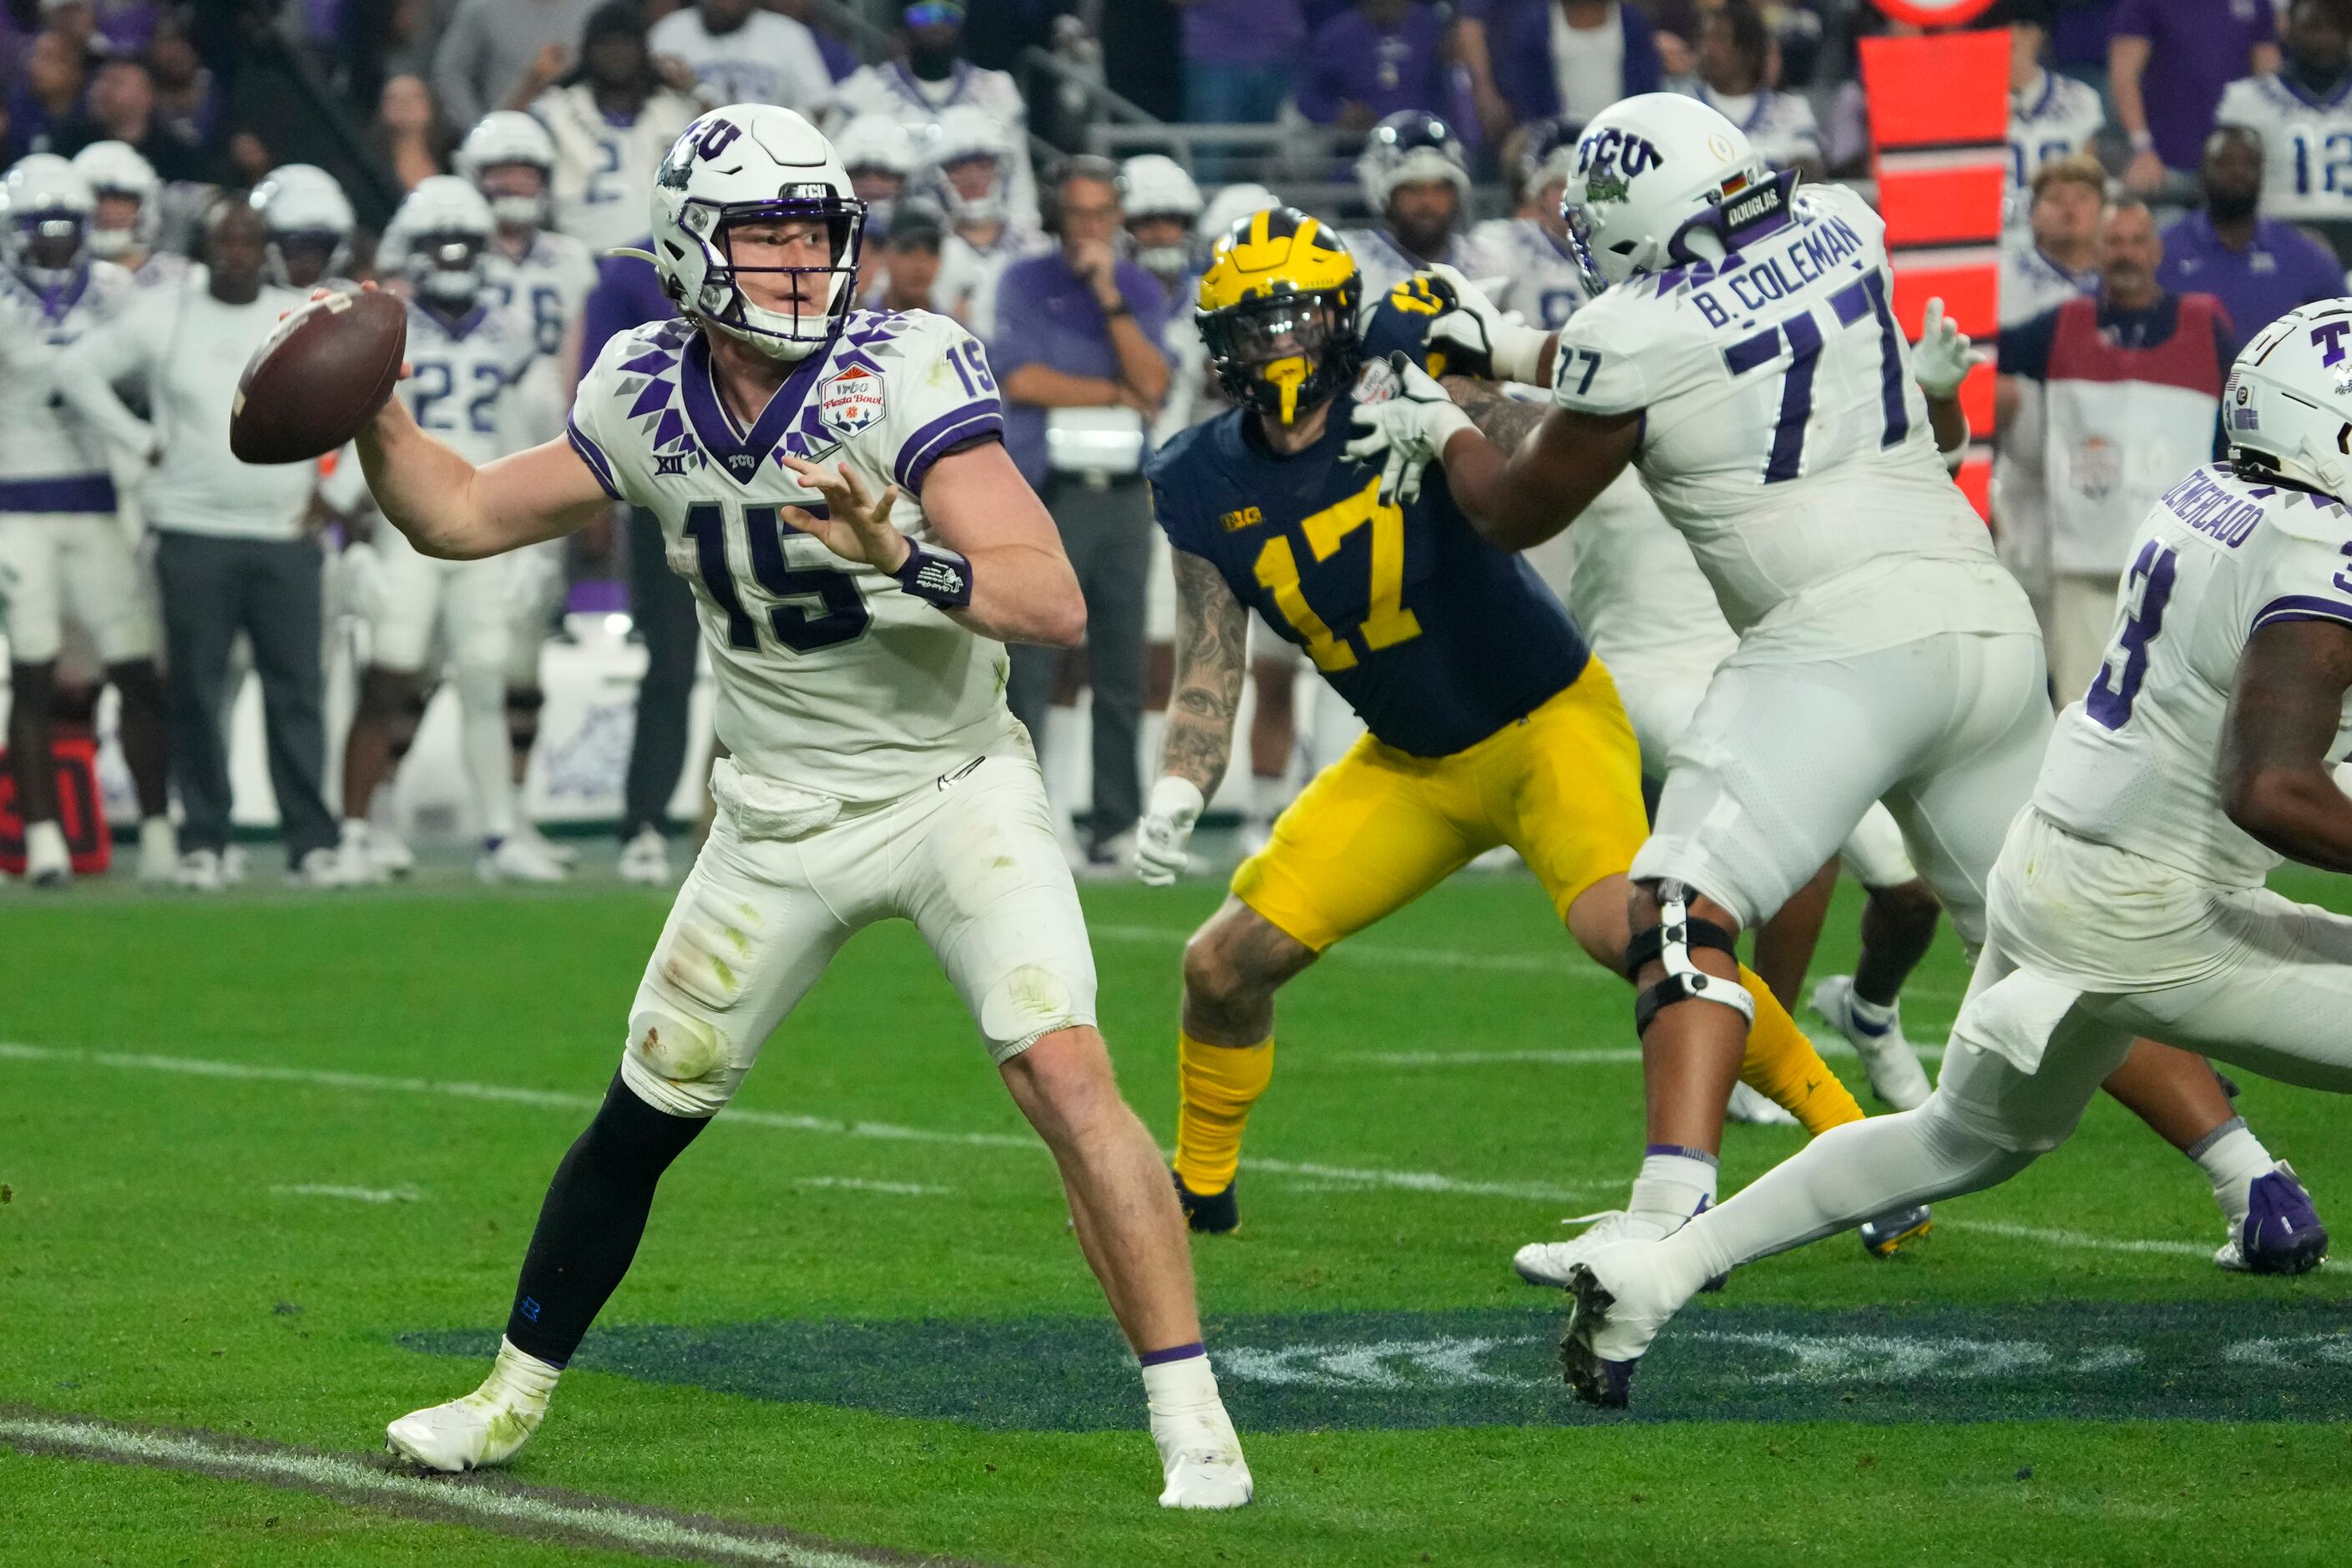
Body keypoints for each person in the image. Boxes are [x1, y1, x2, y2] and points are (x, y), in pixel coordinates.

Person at [372, 102, 1252, 1511]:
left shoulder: (904, 363)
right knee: (644, 1112)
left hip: (954, 786)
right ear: (688, 246)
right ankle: (509, 1392)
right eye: (762, 229)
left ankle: (1194, 1417)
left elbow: (1051, 597)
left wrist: (901, 549)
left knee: (1064, 1070)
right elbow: (463, 512)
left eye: (812, 227)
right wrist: (372, 411)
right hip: (774, 814)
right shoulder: (637, 388)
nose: (794, 258)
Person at [1349, 94, 2304, 1281]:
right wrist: (1494, 345)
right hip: (1979, 621)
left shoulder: (1632, 330)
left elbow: (1512, 504)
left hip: (1836, 644)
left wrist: (1434, 416)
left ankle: (1661, 1219)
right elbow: (1697, 349)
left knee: (1681, 909)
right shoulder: (1841, 225)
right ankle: (2254, 1178)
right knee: (2066, 941)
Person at [1560, 303, 2352, 1407]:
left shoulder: (2209, 499)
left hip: (2056, 869)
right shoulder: (2317, 551)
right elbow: (2273, 784)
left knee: (1956, 1139)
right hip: (2157, 909)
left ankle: (1658, 1269)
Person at [1136, 207, 1885, 1238]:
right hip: (1409, 764)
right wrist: (1181, 785)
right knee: (1219, 967)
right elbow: (1210, 665)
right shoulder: (1199, 476)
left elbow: (1547, 457)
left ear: (1339, 320)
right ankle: (1200, 1188)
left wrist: (1440, 410)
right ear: (1222, 345)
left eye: (1298, 321)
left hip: (1545, 725)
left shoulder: (1403, 373)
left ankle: (1858, 1149)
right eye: (1257, 327)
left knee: (1644, 940)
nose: (1280, 348)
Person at [53, 199, 338, 892]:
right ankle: (204, 839)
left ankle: (311, 843)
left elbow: (361, 402)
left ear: (266, 247)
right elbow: (76, 373)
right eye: (224, 239)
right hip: (190, 532)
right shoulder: (163, 312)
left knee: (298, 691)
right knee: (196, 694)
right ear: (204, 247)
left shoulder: (300, 314)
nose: (236, 250)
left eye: (248, 239)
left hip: (284, 533)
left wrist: (343, 495)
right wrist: (139, 442)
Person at [325, 178, 561, 885]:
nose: (454, 255)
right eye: (440, 242)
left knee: (486, 676)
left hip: (486, 516)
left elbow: (533, 442)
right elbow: (360, 427)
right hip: (405, 521)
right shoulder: (387, 327)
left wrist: (537, 546)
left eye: (465, 241)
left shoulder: (512, 335)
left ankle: (498, 833)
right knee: (389, 673)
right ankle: (358, 832)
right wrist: (346, 520)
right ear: (413, 249)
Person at [994, 154, 1171, 873]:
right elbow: (1023, 378)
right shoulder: (1024, 281)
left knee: (1121, 665)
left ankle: (1115, 823)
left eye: (1103, 214)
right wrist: (1113, 392)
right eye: (1079, 214)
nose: (1090, 227)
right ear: (1056, 217)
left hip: (1125, 492)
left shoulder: (1135, 288)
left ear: (1118, 220)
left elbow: (1153, 384)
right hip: (1050, 490)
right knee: (1034, 666)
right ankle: (1032, 817)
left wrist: (1109, 297)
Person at [0, 153, 171, 888]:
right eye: (40, 228)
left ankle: (159, 832)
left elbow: (152, 376)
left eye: (66, 226)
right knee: (33, 672)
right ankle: (42, 841)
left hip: (102, 502)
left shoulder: (116, 291)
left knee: (134, 669)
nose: (55, 242)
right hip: (18, 505)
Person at [1998, 198, 2236, 701]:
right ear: (2096, 251)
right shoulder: (2060, 325)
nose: (2125, 253)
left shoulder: (2205, 325)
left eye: (2136, 241)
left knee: (2176, 709)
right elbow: (1984, 352)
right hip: (2084, 559)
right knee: (2076, 706)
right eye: (2113, 241)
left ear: (2157, 251)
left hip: (2179, 562)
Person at [458, 110, 603, 873]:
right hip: (474, 458)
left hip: (552, 459)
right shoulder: (447, 251)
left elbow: (581, 365)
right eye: (500, 170)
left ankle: (510, 816)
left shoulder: (572, 260)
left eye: (527, 171)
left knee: (523, 658)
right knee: (417, 658)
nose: (514, 184)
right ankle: (377, 811)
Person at [574, 234, 690, 885]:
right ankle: (644, 820)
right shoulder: (633, 270)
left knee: (781, 657)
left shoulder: (774, 249)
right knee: (671, 663)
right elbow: (598, 386)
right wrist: (595, 494)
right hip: (668, 487)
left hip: (767, 480)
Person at [823, 3, 1038, 226]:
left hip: (977, 235)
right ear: (904, 24)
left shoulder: (998, 91)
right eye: (923, 16)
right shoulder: (864, 90)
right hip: (887, 239)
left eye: (948, 15)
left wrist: (1023, 231)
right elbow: (825, 170)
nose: (936, 25)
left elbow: (1020, 183)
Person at [529, 2, 701, 256]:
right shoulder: (556, 110)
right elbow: (505, 142)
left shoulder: (675, 110)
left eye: (625, 43)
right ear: (587, 52)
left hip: (660, 256)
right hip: (579, 253)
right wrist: (533, 81)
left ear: (644, 52)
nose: (616, 53)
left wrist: (695, 91)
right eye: (606, 44)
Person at [2160, 125, 2343, 339]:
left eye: (2249, 163)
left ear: (2262, 172)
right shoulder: (2164, 251)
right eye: (2224, 163)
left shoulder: (2300, 253)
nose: (2238, 172)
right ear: (2202, 171)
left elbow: (2344, 322)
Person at [2112, 0, 2279, 195]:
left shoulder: (2256, 3)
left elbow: (2269, 78)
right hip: (2169, 158)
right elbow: (2124, 77)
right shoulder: (2145, 3)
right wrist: (2142, 147)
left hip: (2237, 163)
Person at [2214, 0, 2352, 228]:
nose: (2323, 39)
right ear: (2288, 29)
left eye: (2333, 27)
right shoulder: (2245, 99)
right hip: (2276, 231)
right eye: (2313, 27)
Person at [1339, 111, 1500, 299]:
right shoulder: (1353, 260)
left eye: (1440, 188)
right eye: (1412, 189)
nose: (1427, 201)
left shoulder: (1490, 261)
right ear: (1384, 195)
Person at [924, 104, 1045, 339]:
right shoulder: (926, 248)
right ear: (936, 175)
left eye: (982, 163)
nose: (972, 178)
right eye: (958, 165)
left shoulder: (1036, 249)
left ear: (1003, 168)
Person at [1469, 119, 1594, 333]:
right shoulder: (1502, 245)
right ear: (1540, 194)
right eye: (1560, 185)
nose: (1573, 196)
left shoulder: (1625, 250)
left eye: (1584, 185)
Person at [1679, 0, 1823, 180]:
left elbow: (1809, 168)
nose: (1708, 49)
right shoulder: (1683, 108)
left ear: (1749, 50)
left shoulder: (1791, 109)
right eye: (1705, 38)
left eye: (1721, 39)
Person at [1488, 0, 1664, 130]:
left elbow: (1646, 84)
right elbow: (1528, 88)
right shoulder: (1536, 24)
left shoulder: (1632, 21)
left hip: (1625, 136)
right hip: (1559, 141)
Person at [431, 0, 599, 134]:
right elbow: (451, 72)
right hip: (508, 140)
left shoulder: (600, 8)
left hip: (586, 137)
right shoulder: (484, 7)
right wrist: (478, 128)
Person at [2002, 0, 2107, 206]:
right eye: (2003, 26)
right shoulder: (1965, 100)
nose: (2012, 36)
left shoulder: (2080, 98)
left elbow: (2088, 179)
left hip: (2058, 231)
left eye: (2024, 27)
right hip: (1995, 231)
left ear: (2041, 34)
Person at [648, 0, 831, 112]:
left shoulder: (788, 33)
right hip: (694, 154)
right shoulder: (670, 32)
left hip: (772, 153)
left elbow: (820, 106)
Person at [1297, 0, 1449, 134]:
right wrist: (1338, 114)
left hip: (1427, 142)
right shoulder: (1335, 36)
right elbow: (1309, 99)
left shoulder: (1435, 29)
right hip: (1358, 147)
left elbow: (1456, 92)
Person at [55, 58, 210, 183]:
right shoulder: (69, 141)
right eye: (99, 80)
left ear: (147, 95)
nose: (102, 90)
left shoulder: (176, 156)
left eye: (116, 82)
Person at [69, 138, 187, 290]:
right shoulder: (52, 280)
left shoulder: (177, 278)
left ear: (143, 206)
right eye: (98, 197)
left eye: (122, 198)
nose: (108, 210)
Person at [250, 163, 357, 291]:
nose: (310, 263)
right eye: (298, 247)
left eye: (323, 248)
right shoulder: (238, 300)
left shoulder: (348, 301)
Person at [832, 112, 919, 243]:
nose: (873, 186)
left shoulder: (926, 235)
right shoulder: (823, 235)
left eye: (884, 175)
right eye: (860, 174)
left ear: (903, 181)